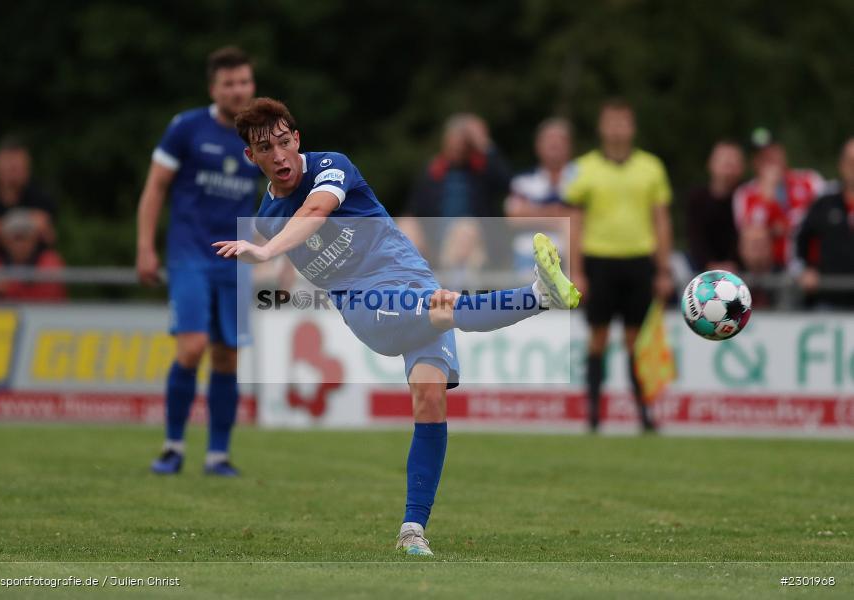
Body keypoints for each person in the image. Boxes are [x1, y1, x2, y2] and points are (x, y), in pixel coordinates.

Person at [214, 97, 580, 555]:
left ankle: (413, 530)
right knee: (446, 309)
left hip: (414, 277)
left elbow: (315, 213)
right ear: (252, 157)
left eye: (284, 142)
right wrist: (280, 274)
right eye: (266, 149)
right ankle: (538, 296)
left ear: (297, 139)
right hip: (367, 304)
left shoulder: (332, 165)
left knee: (429, 400)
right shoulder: (268, 218)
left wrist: (267, 256)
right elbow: (296, 240)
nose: (280, 155)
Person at [136, 46, 260, 477]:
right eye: (230, 83)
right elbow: (155, 188)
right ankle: (172, 447)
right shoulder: (186, 128)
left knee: (227, 357)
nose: (238, 90)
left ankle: (218, 456)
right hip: (190, 254)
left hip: (237, 259)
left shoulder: (260, 136)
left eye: (244, 81)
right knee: (191, 347)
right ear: (214, 88)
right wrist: (145, 248)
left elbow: (282, 194)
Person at [564, 99, 673, 433]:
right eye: (611, 122)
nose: (616, 128)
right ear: (601, 127)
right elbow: (574, 221)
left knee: (635, 340)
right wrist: (577, 270)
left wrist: (664, 269)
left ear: (632, 127)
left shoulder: (651, 167)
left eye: (623, 122)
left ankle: (644, 414)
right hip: (599, 260)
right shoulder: (582, 168)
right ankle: (594, 413)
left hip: (638, 260)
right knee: (597, 337)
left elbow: (661, 220)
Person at [406, 113, 511, 265]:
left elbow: (507, 184)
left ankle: (455, 286)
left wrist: (483, 144)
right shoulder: (434, 170)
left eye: (462, 142)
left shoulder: (483, 169)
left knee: (464, 230)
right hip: (436, 237)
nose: (456, 146)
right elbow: (414, 210)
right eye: (453, 139)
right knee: (406, 226)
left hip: (475, 239)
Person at [733, 128, 824, 267]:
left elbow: (824, 219)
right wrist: (766, 197)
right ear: (754, 161)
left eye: (773, 152)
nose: (769, 158)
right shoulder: (744, 193)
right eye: (761, 155)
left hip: (811, 266)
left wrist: (782, 226)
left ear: (783, 152)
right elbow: (752, 236)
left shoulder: (810, 180)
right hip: (771, 269)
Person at [504, 117, 574, 278]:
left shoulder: (581, 178)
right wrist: (560, 216)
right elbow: (514, 218)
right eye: (549, 140)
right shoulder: (523, 181)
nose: (554, 145)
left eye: (560, 140)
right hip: (528, 257)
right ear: (538, 146)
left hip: (571, 257)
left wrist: (534, 212)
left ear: (569, 146)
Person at [0, 137, 57, 256]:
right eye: (9, 167)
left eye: (17, 167)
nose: (13, 173)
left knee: (51, 265)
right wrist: (26, 225)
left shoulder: (41, 195)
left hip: (36, 266)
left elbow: (48, 233)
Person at [796, 138, 854, 309]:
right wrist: (804, 270)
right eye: (851, 161)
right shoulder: (823, 203)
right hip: (829, 302)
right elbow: (799, 242)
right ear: (841, 165)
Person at [0, 209, 66, 303]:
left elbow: (48, 300)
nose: (20, 244)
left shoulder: (50, 261)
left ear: (34, 238)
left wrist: (8, 289)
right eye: (15, 237)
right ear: (4, 240)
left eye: (24, 237)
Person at [686, 141, 746, 272]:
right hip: (701, 267)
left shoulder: (747, 196)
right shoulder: (697, 198)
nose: (729, 170)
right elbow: (695, 237)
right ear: (711, 164)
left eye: (733, 164)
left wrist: (734, 263)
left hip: (740, 268)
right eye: (725, 163)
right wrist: (709, 265)